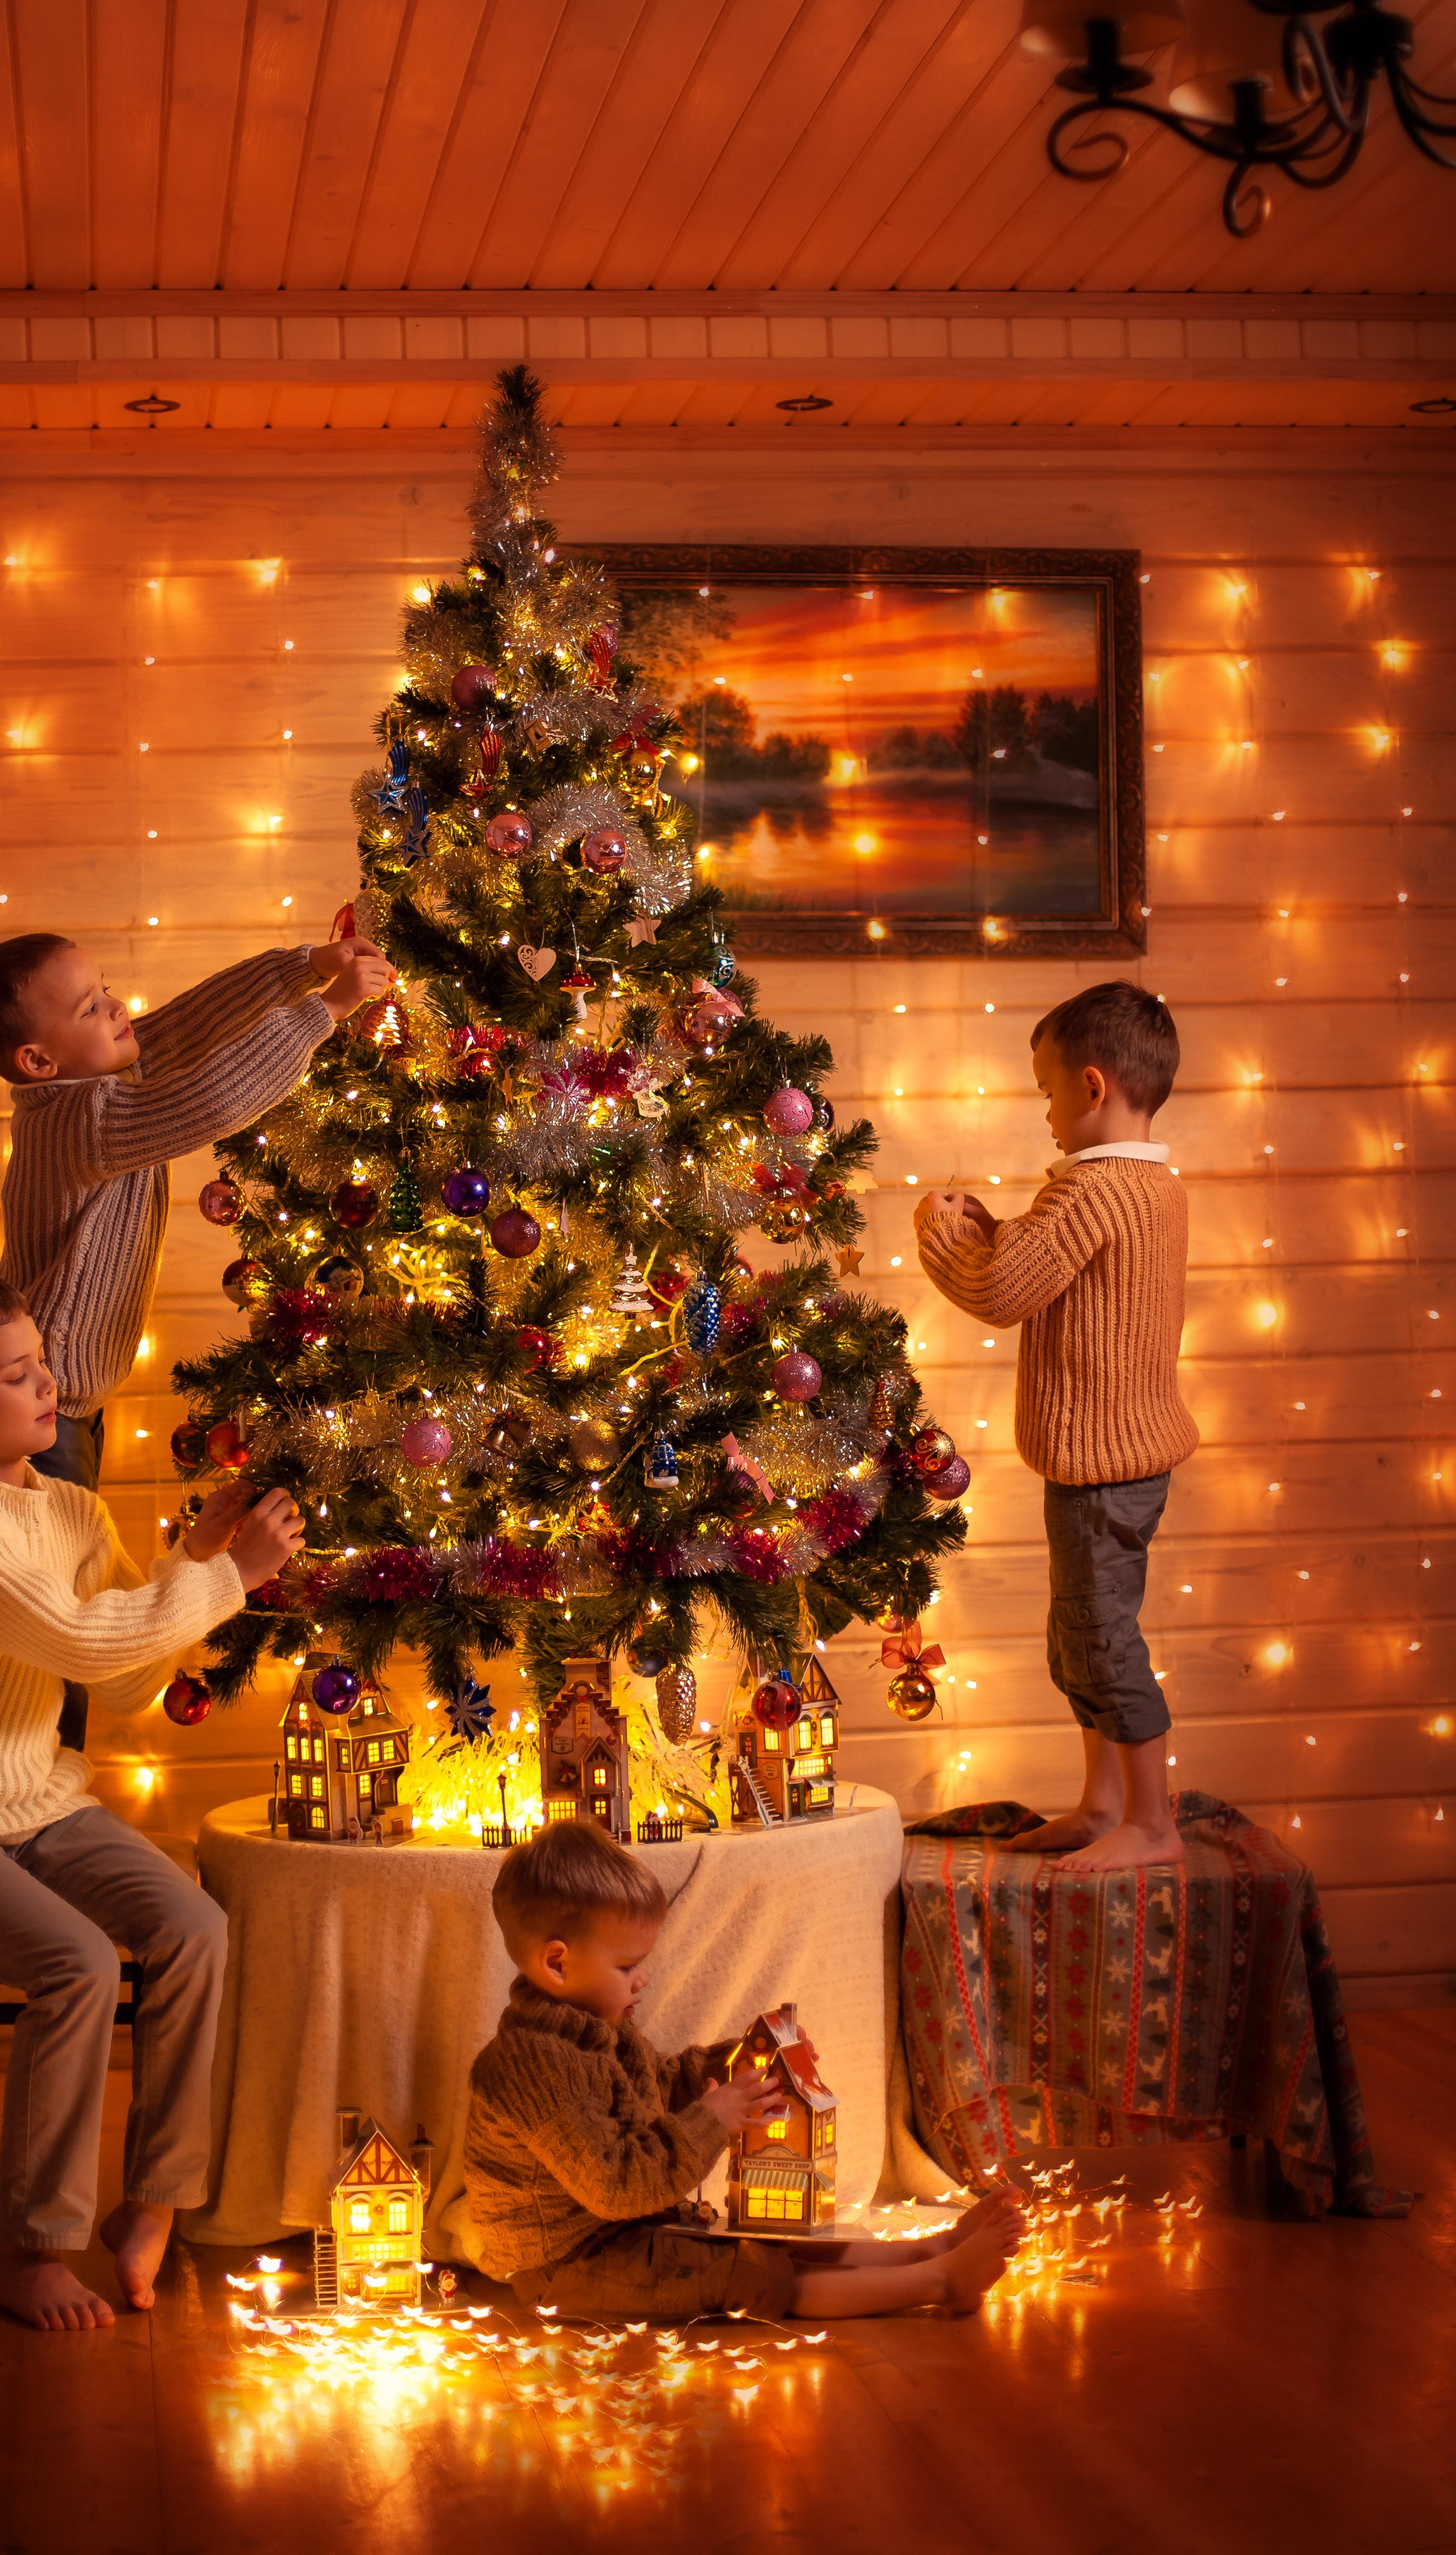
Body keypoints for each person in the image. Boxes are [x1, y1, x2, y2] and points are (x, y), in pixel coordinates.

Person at [0, 1265, 305, 2333]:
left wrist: (189, 1557)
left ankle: (153, 2202)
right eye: (17, 1374)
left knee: (193, 1924)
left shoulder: (73, 1508)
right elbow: (78, 1639)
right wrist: (229, 1578)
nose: (49, 1384)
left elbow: (120, 1676)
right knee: (80, 1962)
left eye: (44, 1360)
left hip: (36, 1802)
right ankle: (30, 2250)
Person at [463, 1820, 1021, 2322]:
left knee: (764, 2240)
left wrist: (741, 2061)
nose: (643, 1981)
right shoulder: (530, 2064)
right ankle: (940, 2282)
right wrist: (713, 2118)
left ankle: (929, 2249)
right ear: (558, 1962)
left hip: (624, 2231)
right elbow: (617, 2185)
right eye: (628, 1966)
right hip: (566, 2263)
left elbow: (660, 2083)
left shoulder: (596, 2028)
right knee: (749, 2275)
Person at [914, 979, 1197, 1874]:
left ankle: (1151, 1823)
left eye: (1044, 1092)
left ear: (1090, 1086)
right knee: (1079, 1634)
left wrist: (942, 1234)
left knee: (1102, 1639)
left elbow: (1003, 1291)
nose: (1042, 1113)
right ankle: (1103, 1802)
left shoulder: (1089, 1192)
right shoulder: (1147, 1188)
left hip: (1103, 1468)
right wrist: (997, 1225)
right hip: (1112, 1462)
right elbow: (1047, 1271)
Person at [0, 929, 393, 1497]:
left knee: (71, 1551)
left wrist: (306, 965)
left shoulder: (98, 1073)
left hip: (61, 1395)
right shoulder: (83, 1119)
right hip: (45, 1401)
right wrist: (324, 1010)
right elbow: (209, 1099)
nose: (118, 1007)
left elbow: (193, 1020)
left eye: (104, 989)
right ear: (38, 1060)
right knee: (60, 1565)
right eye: (90, 1008)